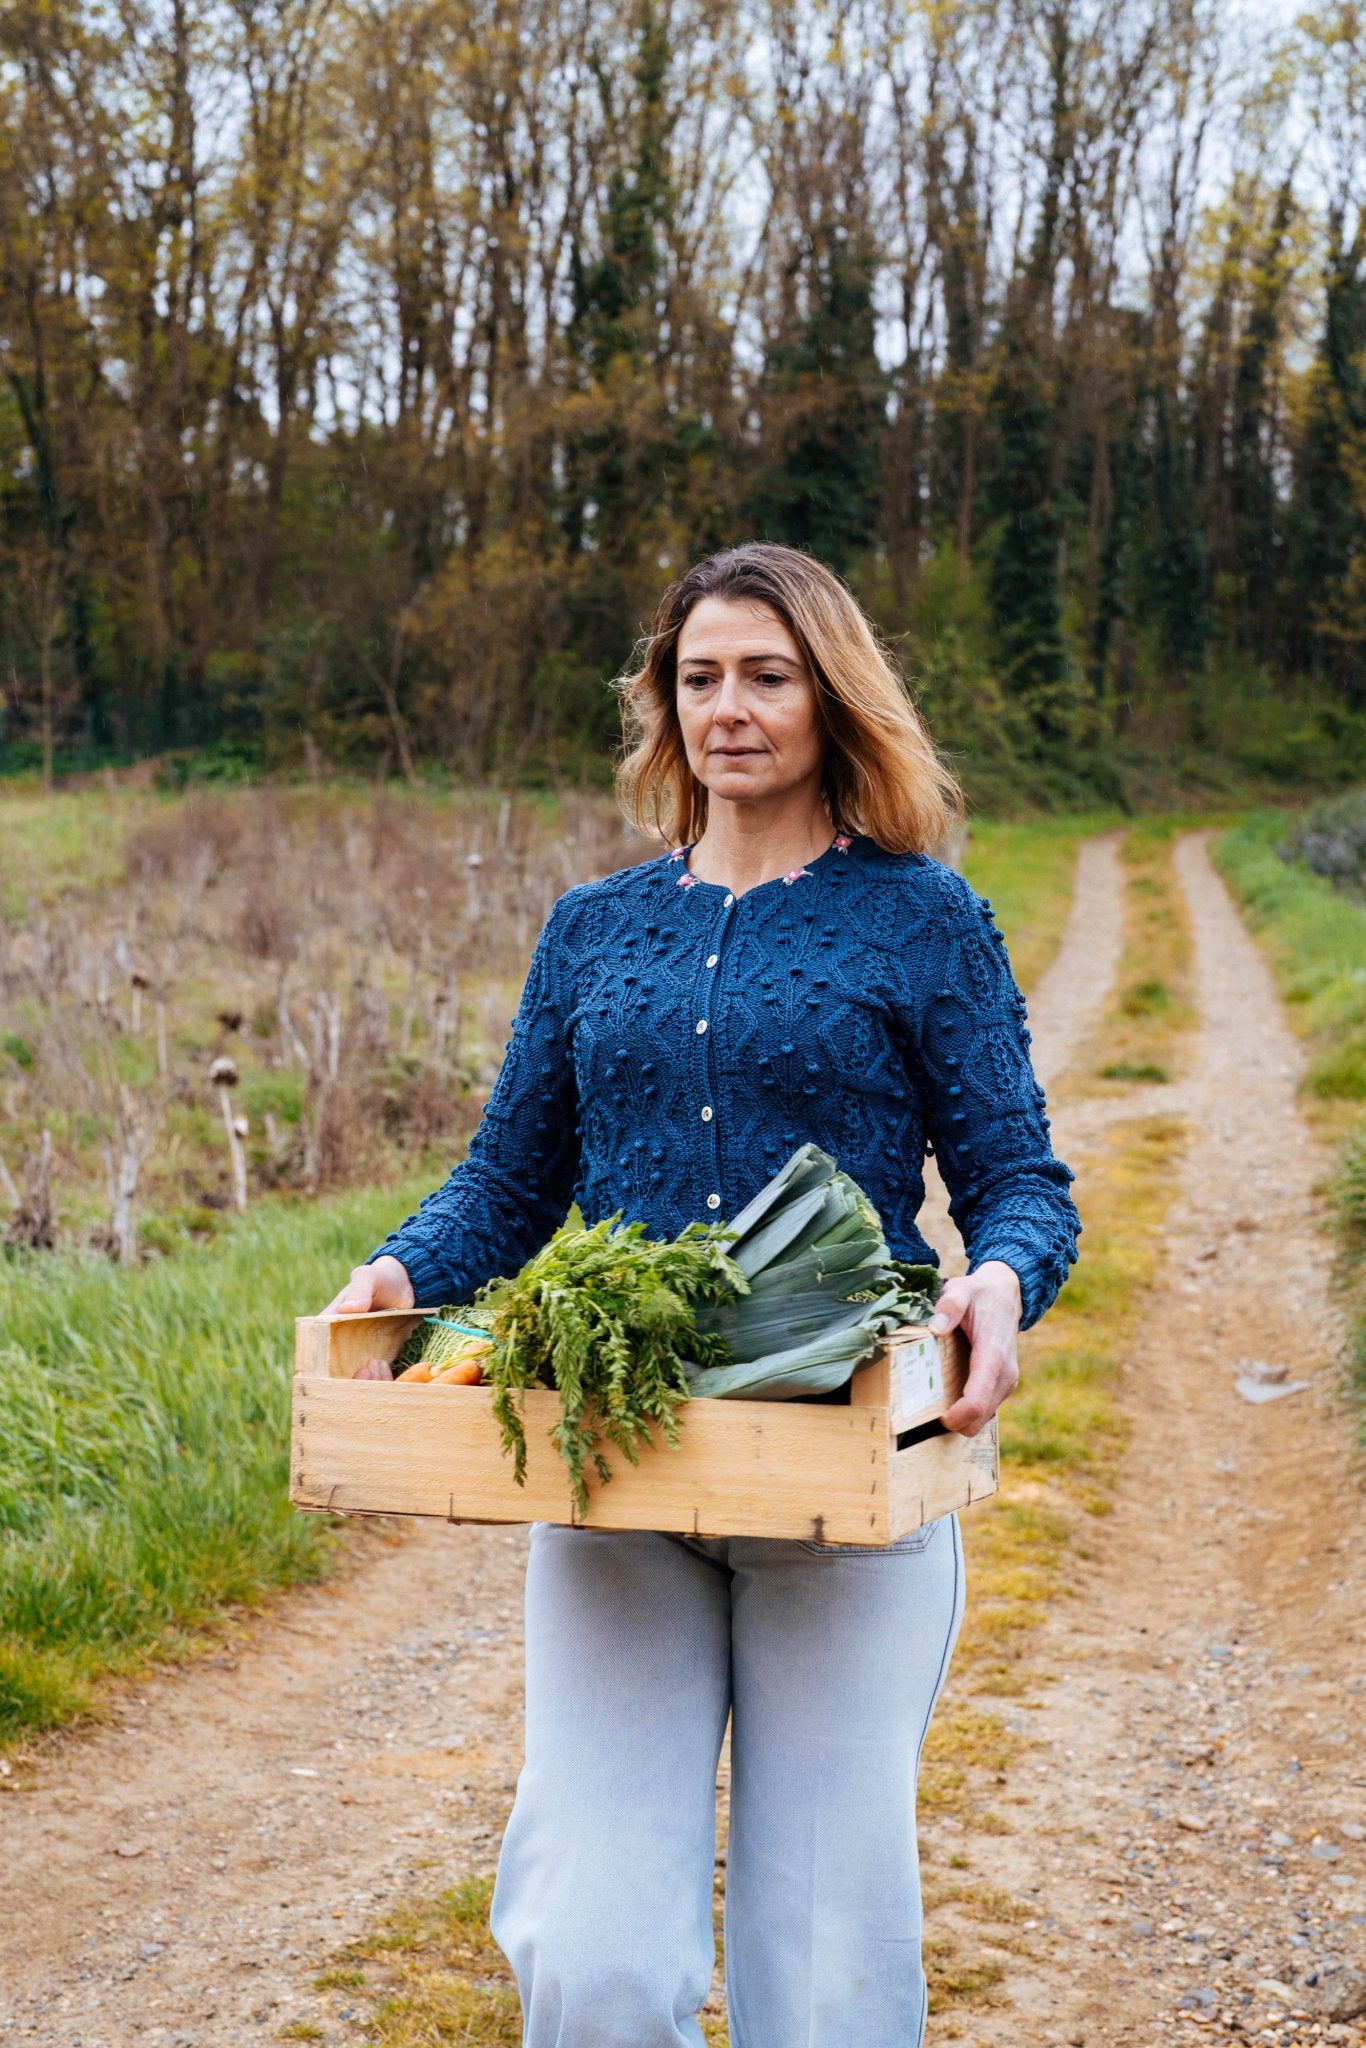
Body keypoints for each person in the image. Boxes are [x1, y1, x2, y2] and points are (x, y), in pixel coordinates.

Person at [325, 542, 1079, 2048]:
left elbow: (1017, 1178)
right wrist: (399, 1273)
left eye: (766, 674)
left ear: (830, 695)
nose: (729, 707)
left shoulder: (919, 921)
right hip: (621, 1472)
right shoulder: (593, 930)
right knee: (591, 1949)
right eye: (698, 678)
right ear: (664, 709)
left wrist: (997, 1281)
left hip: (841, 1473)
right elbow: (505, 1185)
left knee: (823, 1963)